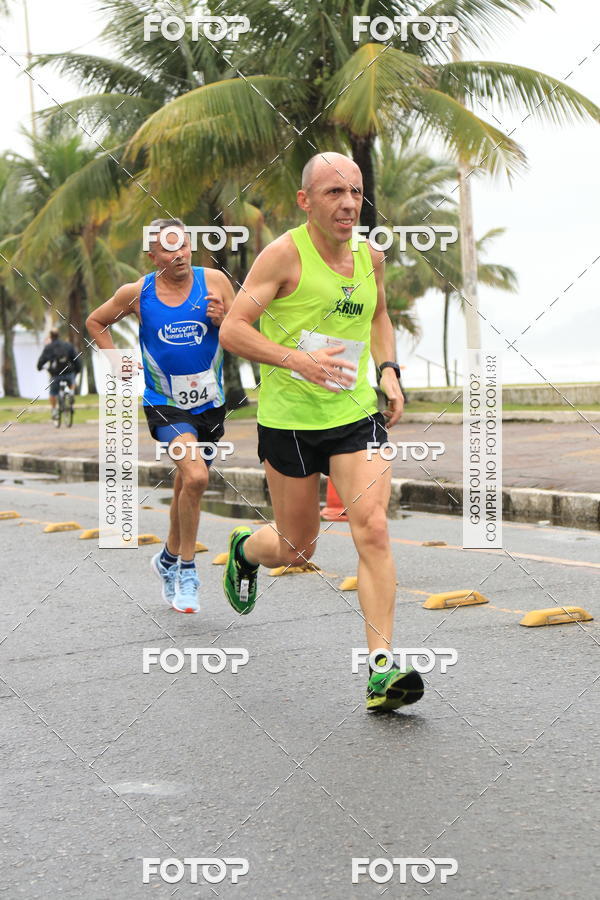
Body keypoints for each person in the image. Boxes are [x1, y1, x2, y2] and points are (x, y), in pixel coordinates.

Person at [219, 152, 424, 712]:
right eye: (335, 192)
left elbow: (378, 316)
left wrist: (388, 371)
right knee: (295, 547)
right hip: (289, 421)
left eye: (356, 192)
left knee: (373, 528)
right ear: (306, 201)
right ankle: (246, 548)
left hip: (356, 415)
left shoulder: (369, 257)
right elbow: (234, 330)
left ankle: (381, 670)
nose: (349, 204)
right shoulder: (283, 256)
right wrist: (295, 360)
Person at [86, 218, 233, 614]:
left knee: (189, 483)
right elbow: (96, 322)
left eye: (183, 245)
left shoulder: (215, 282)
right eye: (169, 249)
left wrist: (224, 320)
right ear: (152, 256)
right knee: (198, 476)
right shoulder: (138, 293)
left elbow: (243, 329)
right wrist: (115, 359)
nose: (179, 254)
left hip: (210, 404)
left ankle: (166, 558)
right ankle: (186, 570)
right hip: (164, 403)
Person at [36, 328, 81, 419]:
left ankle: (54, 411)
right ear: (58, 335)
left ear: (51, 336)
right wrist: (77, 370)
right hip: (68, 372)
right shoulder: (68, 345)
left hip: (55, 375)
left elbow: (41, 361)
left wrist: (40, 367)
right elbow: (76, 359)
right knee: (71, 381)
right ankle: (71, 392)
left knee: (53, 392)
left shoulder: (48, 347)